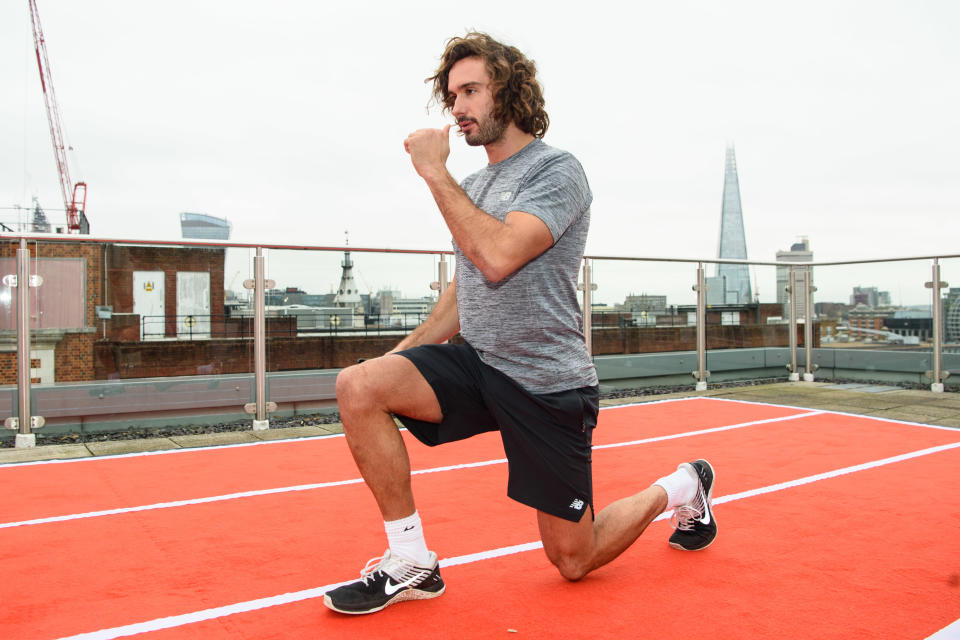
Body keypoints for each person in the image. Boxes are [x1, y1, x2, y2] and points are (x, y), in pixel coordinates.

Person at [323, 32, 716, 616]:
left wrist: (434, 173)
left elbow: (501, 255)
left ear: (510, 91)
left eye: (472, 90)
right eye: (452, 95)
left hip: (546, 382)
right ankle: (411, 562)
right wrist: (386, 365)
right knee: (358, 383)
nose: (457, 108)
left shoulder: (557, 171)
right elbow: (462, 294)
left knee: (572, 562)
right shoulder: (474, 186)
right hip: (480, 365)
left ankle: (683, 486)